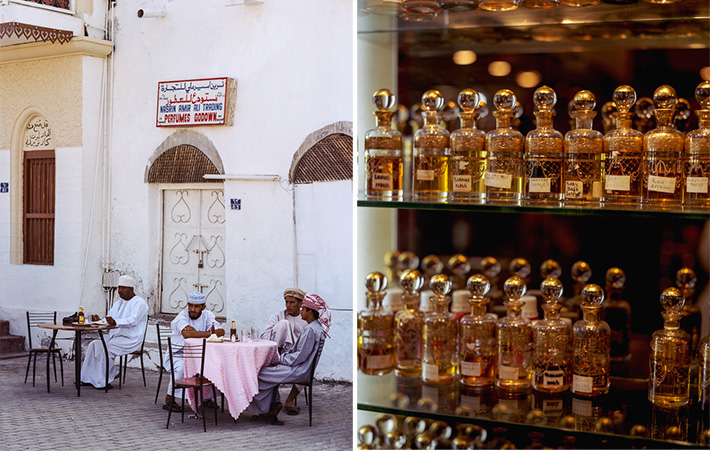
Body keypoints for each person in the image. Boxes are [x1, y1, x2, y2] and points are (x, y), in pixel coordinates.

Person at [247, 293, 331, 425]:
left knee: (259, 374)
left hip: (299, 370)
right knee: (268, 373)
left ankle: (268, 409)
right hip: (300, 367)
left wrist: (281, 360)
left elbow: (300, 356)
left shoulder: (310, 330)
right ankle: (272, 407)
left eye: (303, 309)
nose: (301, 312)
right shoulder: (316, 328)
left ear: (310, 311)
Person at [81, 275, 149, 389]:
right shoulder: (118, 303)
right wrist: (100, 320)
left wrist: (115, 321)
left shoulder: (140, 303)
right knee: (94, 345)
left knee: (108, 348)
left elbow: (133, 321)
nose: (120, 291)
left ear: (131, 289)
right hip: (115, 336)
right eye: (119, 288)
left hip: (130, 338)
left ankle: (103, 381)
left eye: (123, 288)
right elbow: (110, 318)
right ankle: (88, 378)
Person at [163, 291, 224, 412]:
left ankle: (205, 399)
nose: (193, 309)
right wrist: (209, 334)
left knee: (212, 366)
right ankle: (169, 399)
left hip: (199, 355)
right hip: (178, 354)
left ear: (203, 307)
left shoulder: (208, 315)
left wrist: (196, 333)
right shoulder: (182, 315)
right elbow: (187, 334)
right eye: (190, 305)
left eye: (196, 307)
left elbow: (221, 331)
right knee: (181, 368)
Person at [260, 287, 309, 415]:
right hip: (278, 351)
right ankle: (273, 401)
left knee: (306, 365)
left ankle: (289, 400)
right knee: (283, 324)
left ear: (300, 303)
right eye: (286, 302)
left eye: (292, 302)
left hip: (296, 355)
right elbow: (264, 337)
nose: (288, 305)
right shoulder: (278, 316)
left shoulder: (305, 319)